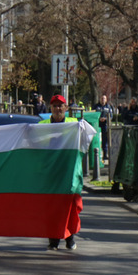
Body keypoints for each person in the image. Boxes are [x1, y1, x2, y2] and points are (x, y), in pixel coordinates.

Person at [40, 94, 79, 251]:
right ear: (50, 108)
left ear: (66, 108)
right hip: (50, 173)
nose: (57, 109)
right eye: (54, 106)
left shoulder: (74, 124)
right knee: (51, 207)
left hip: (68, 173)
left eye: (60, 106)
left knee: (69, 206)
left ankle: (70, 238)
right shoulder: (42, 125)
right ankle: (53, 240)